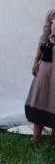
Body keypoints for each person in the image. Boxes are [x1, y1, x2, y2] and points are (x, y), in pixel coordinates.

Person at [25, 9, 55, 142]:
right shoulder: (52, 13)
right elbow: (44, 36)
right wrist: (36, 60)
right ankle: (35, 138)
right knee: (41, 92)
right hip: (49, 56)